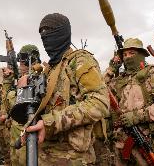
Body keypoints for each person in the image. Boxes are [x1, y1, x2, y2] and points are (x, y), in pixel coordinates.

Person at [20, 13, 110, 165]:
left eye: (50, 31)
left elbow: (99, 103)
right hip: (45, 154)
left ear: (63, 32)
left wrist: (51, 122)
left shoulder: (79, 60)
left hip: (73, 157)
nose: (45, 36)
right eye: (42, 33)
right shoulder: (48, 70)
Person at [109, 38, 154, 166]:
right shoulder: (119, 80)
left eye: (132, 53)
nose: (127, 57)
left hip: (148, 141)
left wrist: (138, 116)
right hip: (121, 143)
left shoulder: (153, 73)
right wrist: (111, 70)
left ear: (141, 55)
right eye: (124, 54)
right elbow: (99, 92)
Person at [0, 44, 42, 166]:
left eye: (22, 64)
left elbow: (19, 105)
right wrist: (8, 80)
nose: (20, 66)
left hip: (28, 137)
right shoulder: (19, 79)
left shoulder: (39, 80)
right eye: (19, 63)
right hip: (15, 137)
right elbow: (8, 107)